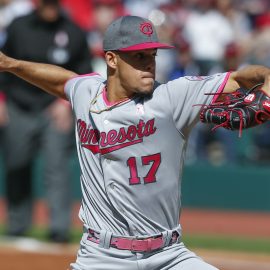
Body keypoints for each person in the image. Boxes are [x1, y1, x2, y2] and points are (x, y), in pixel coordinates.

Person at [0, 15, 270, 270]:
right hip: (101, 257)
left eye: (152, 55)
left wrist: (267, 85)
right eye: (139, 56)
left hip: (169, 255)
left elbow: (243, 77)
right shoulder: (87, 93)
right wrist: (10, 64)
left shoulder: (173, 97)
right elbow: (63, 81)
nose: (149, 64)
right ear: (112, 59)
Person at [0, 0, 92, 242]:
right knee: (16, 163)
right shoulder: (19, 26)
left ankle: (59, 228)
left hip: (55, 108)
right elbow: (3, 64)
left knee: (57, 168)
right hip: (18, 105)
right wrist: (1, 100)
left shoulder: (73, 30)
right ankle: (17, 225)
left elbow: (84, 72)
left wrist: (66, 103)